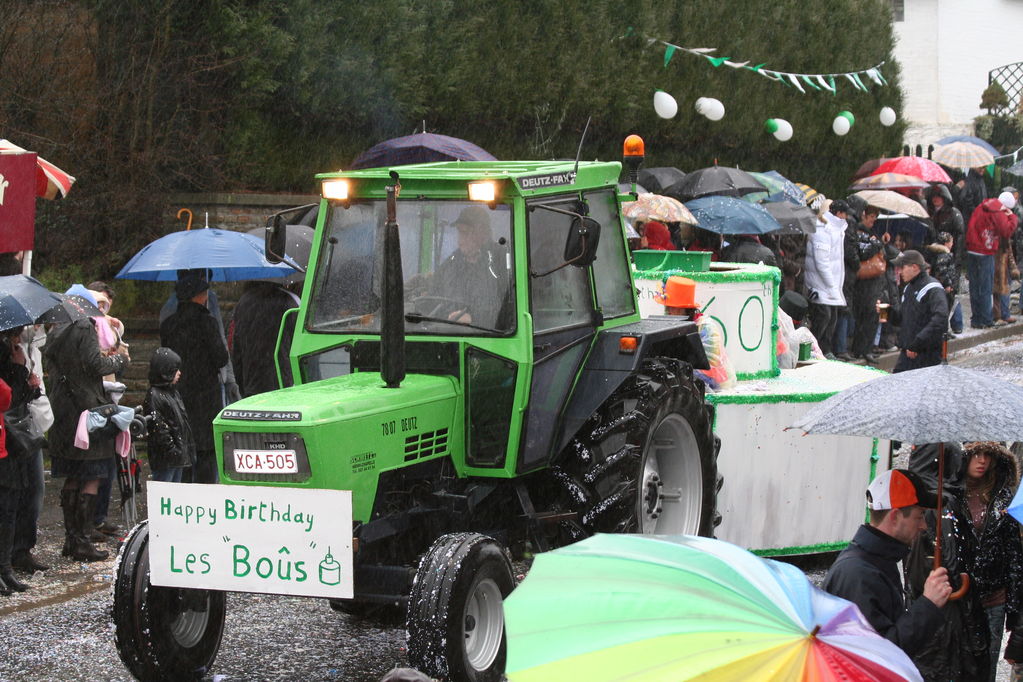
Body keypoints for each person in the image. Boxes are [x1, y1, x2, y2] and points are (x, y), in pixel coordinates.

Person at [823, 468, 949, 660]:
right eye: (920, 515)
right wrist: (928, 605)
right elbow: (881, 655)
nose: (923, 525)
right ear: (895, 517)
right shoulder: (859, 574)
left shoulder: (877, 560)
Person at [45, 292, 129, 562]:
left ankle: (72, 540)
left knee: (72, 475)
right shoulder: (84, 326)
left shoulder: (57, 330)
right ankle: (82, 541)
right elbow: (95, 365)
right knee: (92, 474)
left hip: (63, 412)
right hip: (86, 411)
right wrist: (120, 361)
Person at [905, 442, 990, 681]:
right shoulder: (941, 502)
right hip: (946, 610)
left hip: (922, 603)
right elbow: (952, 562)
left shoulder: (917, 497)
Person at [959, 442, 1023, 682]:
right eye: (976, 454)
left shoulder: (1003, 497)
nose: (982, 460)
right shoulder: (952, 495)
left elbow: (1014, 554)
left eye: (988, 455)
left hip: (994, 597)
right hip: (960, 596)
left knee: (986, 666)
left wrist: (1014, 611)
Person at [160, 273, 229, 484]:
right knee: (206, 448)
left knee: (184, 445)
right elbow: (221, 357)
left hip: (178, 390)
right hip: (205, 392)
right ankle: (205, 492)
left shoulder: (169, 324)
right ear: (198, 296)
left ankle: (184, 491)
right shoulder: (206, 322)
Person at [431, 205, 510, 329]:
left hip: (491, 339)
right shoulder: (451, 264)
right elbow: (434, 299)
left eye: (465, 233)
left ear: (483, 232)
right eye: (459, 233)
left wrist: (474, 319)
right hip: (449, 336)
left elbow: (510, 310)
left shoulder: (503, 262)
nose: (459, 241)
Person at [230, 280, 301, 397]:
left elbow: (237, 349)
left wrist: (241, 382)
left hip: (252, 382)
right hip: (284, 381)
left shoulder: (243, 302)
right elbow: (301, 344)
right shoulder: (290, 301)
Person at [882, 250, 948, 373]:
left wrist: (918, 344)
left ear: (915, 267)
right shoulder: (908, 288)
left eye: (902, 267)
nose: (899, 271)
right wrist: (887, 311)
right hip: (908, 350)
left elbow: (940, 319)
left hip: (926, 353)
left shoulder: (933, 288)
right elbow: (902, 319)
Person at [142, 348, 195, 484]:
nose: (179, 373)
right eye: (175, 369)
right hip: (166, 458)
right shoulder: (155, 396)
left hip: (176, 455)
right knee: (164, 490)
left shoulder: (172, 393)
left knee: (174, 492)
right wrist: (173, 450)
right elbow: (159, 429)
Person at [966, 192, 1018, 329]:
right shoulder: (998, 211)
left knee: (974, 287)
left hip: (972, 249)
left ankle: (976, 319)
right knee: (985, 287)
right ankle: (986, 319)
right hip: (985, 251)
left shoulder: (982, 206)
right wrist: (1012, 217)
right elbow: (1006, 231)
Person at [803, 199, 847, 359]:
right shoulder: (822, 229)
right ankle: (815, 348)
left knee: (832, 316)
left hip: (829, 283)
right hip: (819, 284)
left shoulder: (835, 229)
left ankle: (825, 348)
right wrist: (832, 286)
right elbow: (821, 262)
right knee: (823, 316)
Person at [850, 207, 890, 363]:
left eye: (875, 217)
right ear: (863, 215)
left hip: (876, 282)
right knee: (866, 315)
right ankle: (861, 349)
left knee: (876, 314)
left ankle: (867, 348)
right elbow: (862, 253)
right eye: (871, 216)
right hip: (865, 282)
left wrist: (881, 242)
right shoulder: (859, 233)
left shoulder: (873, 235)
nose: (873, 220)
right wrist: (876, 244)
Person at [925, 232, 963, 335]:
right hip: (944, 287)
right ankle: (943, 331)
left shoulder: (934, 253)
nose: (952, 244)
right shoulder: (944, 254)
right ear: (946, 243)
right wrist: (947, 284)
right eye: (951, 242)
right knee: (945, 309)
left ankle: (944, 330)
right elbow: (942, 271)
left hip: (940, 286)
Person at [928, 184, 966, 263]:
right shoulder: (929, 212)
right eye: (933, 196)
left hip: (950, 253)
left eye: (938, 196)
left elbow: (960, 236)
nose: (935, 198)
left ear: (944, 197)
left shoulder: (954, 213)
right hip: (933, 253)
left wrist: (957, 257)